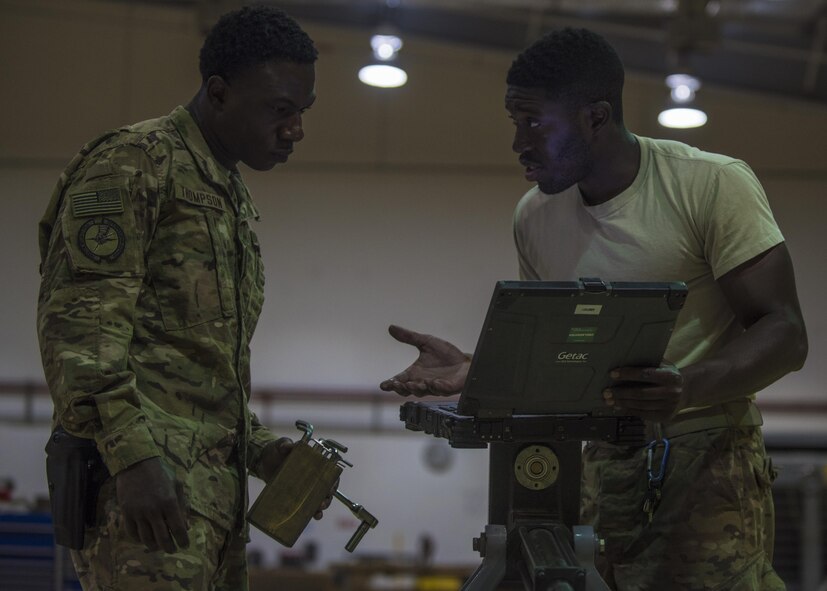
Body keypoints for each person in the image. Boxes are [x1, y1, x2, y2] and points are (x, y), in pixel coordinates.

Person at [380, 27, 808, 591]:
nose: (518, 143)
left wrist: (689, 385)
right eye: (515, 122)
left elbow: (785, 332)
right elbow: (559, 354)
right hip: (600, 463)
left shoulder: (710, 184)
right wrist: (476, 366)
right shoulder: (535, 216)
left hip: (706, 455)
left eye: (534, 123)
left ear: (595, 117)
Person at [37, 6, 330, 590]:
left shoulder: (225, 194)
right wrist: (136, 461)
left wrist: (265, 453)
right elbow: (81, 336)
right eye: (281, 110)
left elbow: (194, 375)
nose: (295, 129)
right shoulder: (132, 166)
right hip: (145, 503)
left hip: (209, 506)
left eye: (302, 112)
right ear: (218, 93)